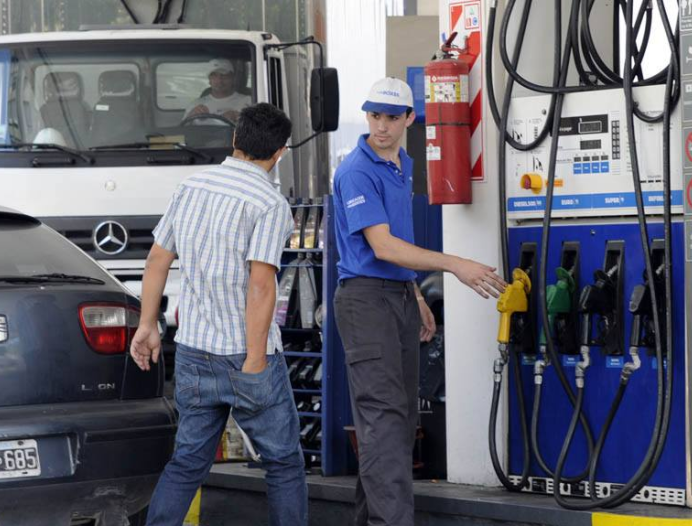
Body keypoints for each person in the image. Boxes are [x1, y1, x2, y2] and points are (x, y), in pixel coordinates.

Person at [332, 77, 507, 526]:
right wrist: (455, 264)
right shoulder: (357, 170)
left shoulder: (401, 164)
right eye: (374, 116)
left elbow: (398, 245)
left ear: (410, 119)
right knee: (384, 419)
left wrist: (413, 292)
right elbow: (383, 246)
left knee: (398, 419)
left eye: (392, 118)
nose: (381, 126)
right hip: (365, 301)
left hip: (397, 296)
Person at [130, 103, 307, 526]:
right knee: (283, 464)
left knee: (188, 462)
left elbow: (157, 260)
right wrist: (255, 360)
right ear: (280, 152)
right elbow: (261, 285)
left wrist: (147, 325)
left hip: (194, 351)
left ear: (234, 139)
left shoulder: (191, 187)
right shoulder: (269, 203)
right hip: (246, 355)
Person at [182, 58, 251, 123]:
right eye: (214, 75)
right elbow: (182, 129)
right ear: (209, 80)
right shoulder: (196, 104)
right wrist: (191, 115)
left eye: (224, 75)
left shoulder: (248, 101)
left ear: (232, 78)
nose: (219, 81)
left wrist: (240, 118)